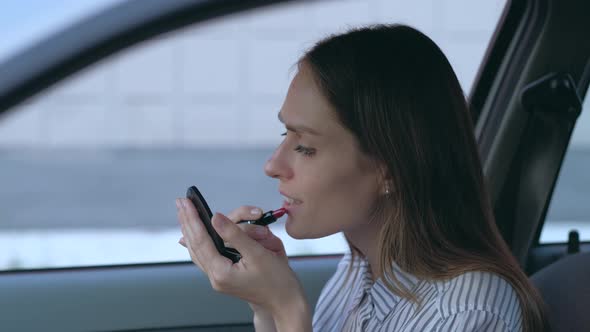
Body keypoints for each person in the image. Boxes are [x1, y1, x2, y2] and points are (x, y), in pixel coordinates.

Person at [176, 24, 547, 331]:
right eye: (283, 136)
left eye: (305, 147)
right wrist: (266, 306)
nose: (272, 165)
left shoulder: (468, 313)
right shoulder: (357, 272)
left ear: (390, 168)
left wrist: (288, 307)